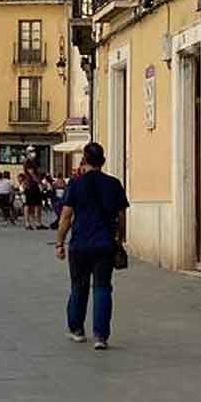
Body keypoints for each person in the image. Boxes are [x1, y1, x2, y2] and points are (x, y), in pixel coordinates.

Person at [55, 141, 129, 351]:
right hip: (105, 243)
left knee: (78, 286)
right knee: (103, 287)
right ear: (103, 161)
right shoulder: (114, 184)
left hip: (80, 244)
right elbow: (122, 216)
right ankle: (100, 336)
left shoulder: (76, 185)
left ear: (85, 160)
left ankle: (77, 329)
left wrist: (60, 242)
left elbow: (66, 217)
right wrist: (119, 239)